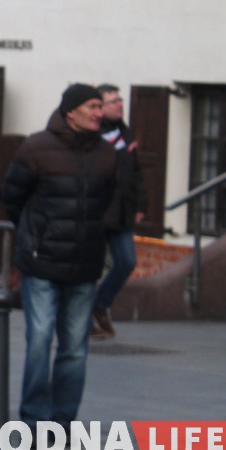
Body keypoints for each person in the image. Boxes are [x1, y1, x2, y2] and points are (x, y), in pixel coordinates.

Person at [3, 83, 115, 434]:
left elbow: (108, 203)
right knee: (38, 340)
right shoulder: (35, 147)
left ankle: (63, 422)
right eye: (93, 106)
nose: (100, 112)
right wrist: (35, 236)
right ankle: (34, 421)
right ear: (71, 112)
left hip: (84, 263)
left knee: (75, 348)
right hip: (42, 262)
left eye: (101, 106)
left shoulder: (107, 154)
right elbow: (12, 198)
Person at [90, 83, 145, 339]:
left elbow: (136, 173)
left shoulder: (125, 134)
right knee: (90, 266)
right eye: (113, 101)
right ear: (101, 107)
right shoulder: (92, 135)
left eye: (120, 100)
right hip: (97, 211)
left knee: (126, 261)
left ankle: (100, 306)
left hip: (122, 212)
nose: (119, 104)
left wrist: (140, 205)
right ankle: (84, 318)